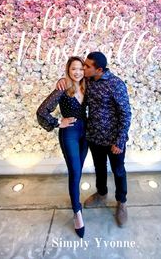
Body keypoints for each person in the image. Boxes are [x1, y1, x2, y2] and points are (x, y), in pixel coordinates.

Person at [56, 51, 132, 227]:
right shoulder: (88, 82)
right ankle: (102, 193)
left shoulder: (116, 84)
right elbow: (72, 81)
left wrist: (120, 141)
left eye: (87, 66)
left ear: (98, 69)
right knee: (99, 168)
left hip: (113, 139)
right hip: (94, 136)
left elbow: (126, 114)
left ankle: (122, 202)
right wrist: (62, 80)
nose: (83, 68)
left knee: (118, 170)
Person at [36, 56, 88, 238]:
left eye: (81, 69)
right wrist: (58, 122)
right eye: (74, 69)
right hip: (70, 134)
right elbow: (42, 111)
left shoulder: (87, 85)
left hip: (86, 134)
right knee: (74, 172)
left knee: (78, 171)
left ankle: (76, 201)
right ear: (68, 69)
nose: (78, 72)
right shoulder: (63, 87)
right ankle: (77, 212)